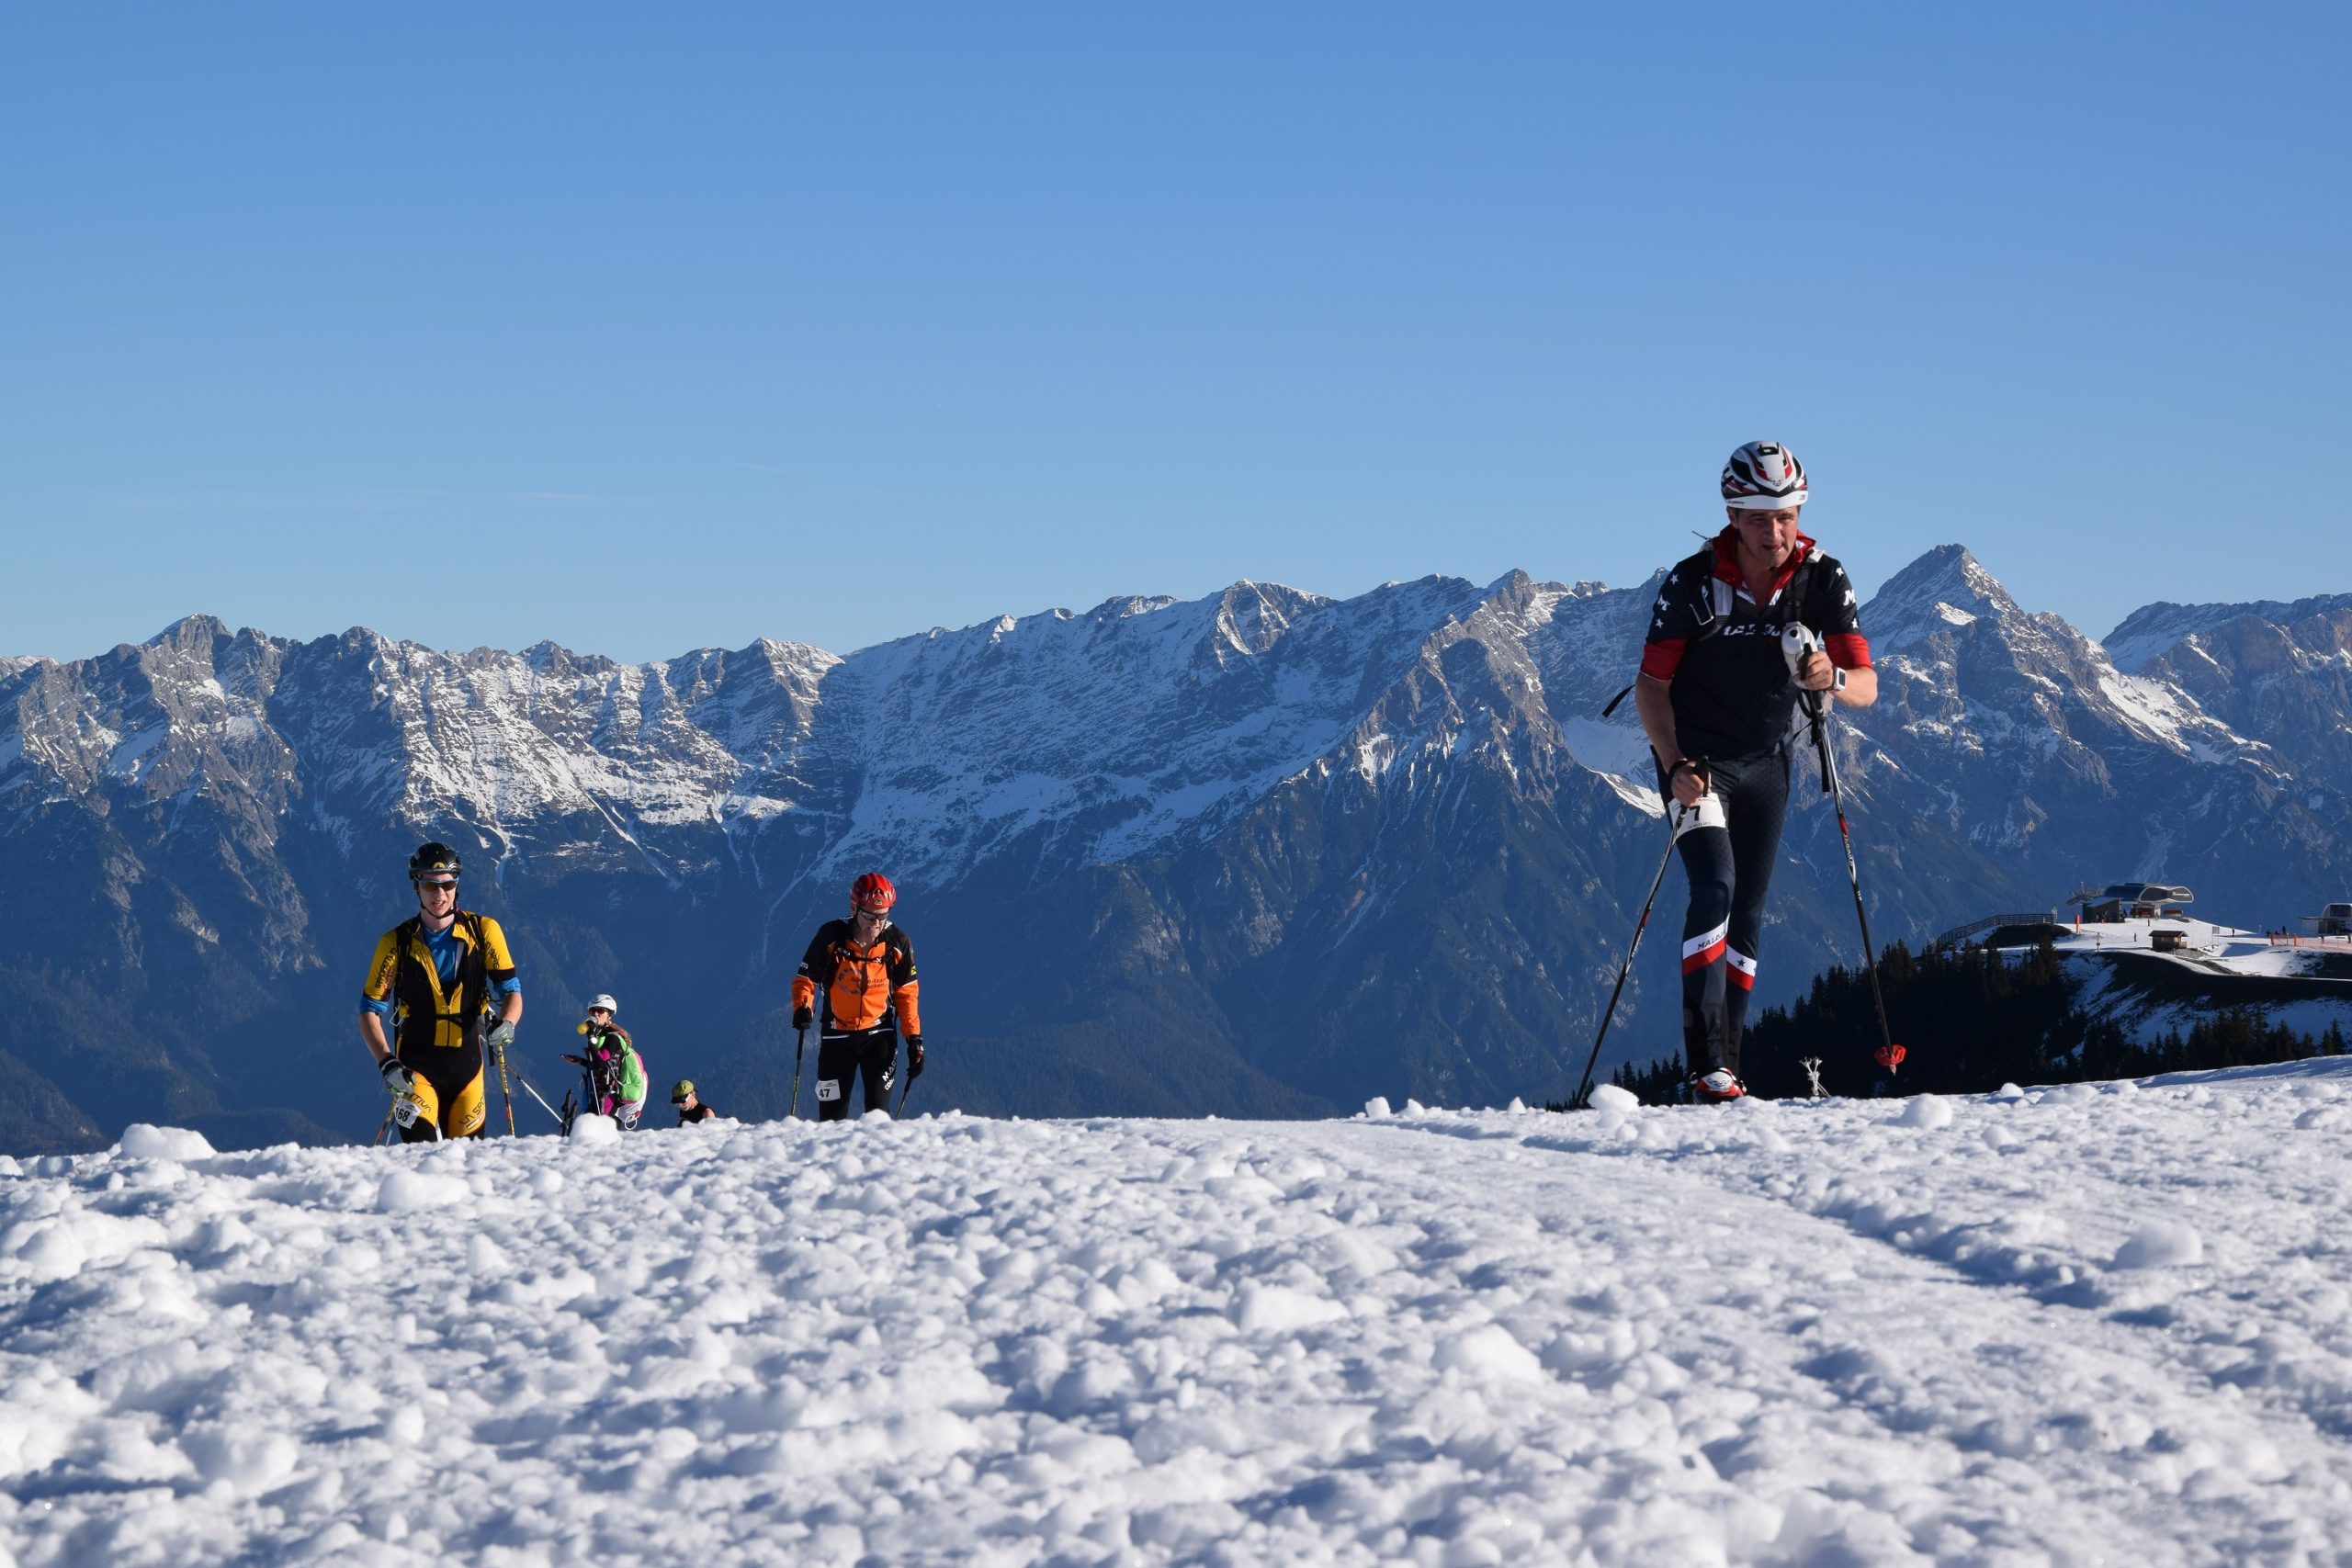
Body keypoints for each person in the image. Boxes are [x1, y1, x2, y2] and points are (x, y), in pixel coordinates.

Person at [1632, 442, 1876, 1102]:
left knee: (1751, 910)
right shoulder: (1691, 583)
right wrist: (1674, 762)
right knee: (1715, 885)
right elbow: (1650, 688)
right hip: (1699, 766)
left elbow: (1868, 686)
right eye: (1760, 519)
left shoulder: (1824, 579)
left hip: (1770, 763)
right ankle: (1705, 1064)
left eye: (1787, 517)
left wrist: (1834, 676)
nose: (1776, 533)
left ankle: (1729, 1067)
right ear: (1733, 516)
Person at [360, 842, 524, 1140]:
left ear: (457, 885)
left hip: (468, 1071)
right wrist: (387, 1063)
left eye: (447, 885)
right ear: (417, 888)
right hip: (414, 1070)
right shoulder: (396, 943)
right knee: (421, 1161)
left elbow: (511, 990)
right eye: (430, 886)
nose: (439, 894)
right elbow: (369, 1011)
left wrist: (508, 1022)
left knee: (465, 1168)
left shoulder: (484, 931)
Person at [791, 873, 924, 1120]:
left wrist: (914, 1040)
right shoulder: (831, 936)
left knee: (878, 1116)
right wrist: (803, 1007)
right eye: (870, 914)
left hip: (879, 1036)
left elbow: (906, 994)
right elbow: (806, 979)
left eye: (883, 915)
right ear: (855, 907)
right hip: (836, 1035)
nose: (876, 922)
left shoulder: (898, 942)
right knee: (831, 1119)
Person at [562, 994, 647, 1129]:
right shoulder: (601, 1035)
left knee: (597, 1129)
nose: (595, 1013)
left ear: (609, 1015)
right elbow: (601, 1063)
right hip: (601, 1090)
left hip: (608, 1093)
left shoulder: (612, 1038)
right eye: (592, 1010)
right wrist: (581, 1061)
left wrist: (590, 1037)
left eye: (600, 1010)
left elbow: (602, 1062)